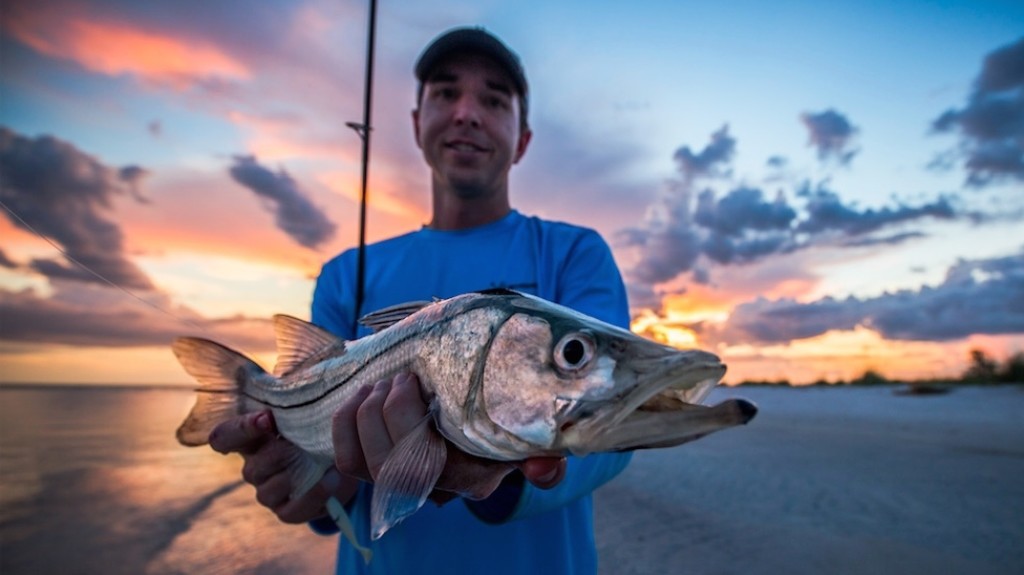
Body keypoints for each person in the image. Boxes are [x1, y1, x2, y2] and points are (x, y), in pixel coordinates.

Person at [207, 26, 633, 574]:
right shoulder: (345, 273)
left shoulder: (575, 253)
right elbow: (333, 474)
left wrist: (498, 479)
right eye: (446, 93)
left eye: (494, 100)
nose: (467, 113)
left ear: (523, 138)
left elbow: (613, 430)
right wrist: (301, 480)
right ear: (415, 124)